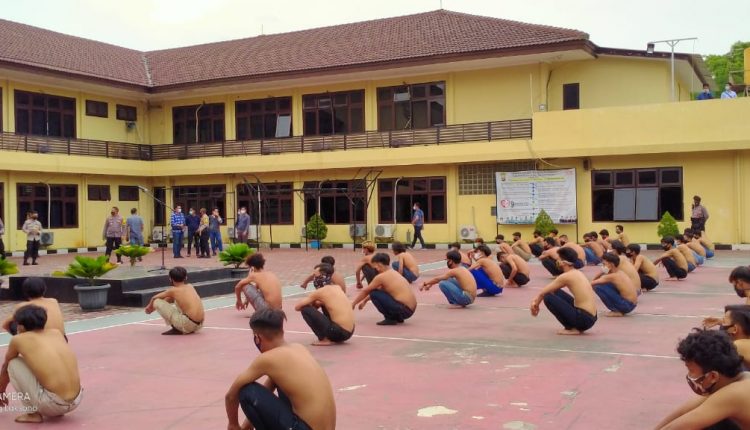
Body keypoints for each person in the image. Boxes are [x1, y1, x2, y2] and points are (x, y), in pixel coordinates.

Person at [224, 309, 336, 430]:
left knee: (247, 390)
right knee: (281, 385)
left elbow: (231, 396)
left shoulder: (268, 359)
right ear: (282, 331)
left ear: (257, 338)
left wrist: (233, 424)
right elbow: (270, 386)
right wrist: (247, 424)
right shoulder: (299, 348)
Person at [0, 305, 82, 423]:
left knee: (13, 363)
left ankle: (33, 414)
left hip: (53, 405)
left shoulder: (18, 340)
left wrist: (1, 392)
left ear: (21, 326)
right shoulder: (56, 333)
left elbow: (5, 368)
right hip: (76, 400)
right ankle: (57, 408)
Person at [654, 329, 750, 430]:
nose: (689, 375)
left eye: (691, 370)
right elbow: (683, 411)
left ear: (713, 376)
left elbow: (677, 427)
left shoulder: (734, 394)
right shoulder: (734, 381)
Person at [530, 247, 598, 335]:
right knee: (555, 291)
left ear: (563, 262)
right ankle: (574, 326)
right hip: (590, 318)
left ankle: (571, 328)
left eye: (558, 259)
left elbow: (543, 293)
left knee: (548, 297)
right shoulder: (577, 272)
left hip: (584, 319)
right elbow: (549, 289)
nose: (556, 261)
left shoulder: (566, 276)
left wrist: (535, 304)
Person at [351, 253, 417, 325]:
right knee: (378, 293)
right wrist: (364, 301)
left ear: (379, 264)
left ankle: (390, 318)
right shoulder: (394, 273)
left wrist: (353, 304)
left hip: (404, 310)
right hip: (409, 310)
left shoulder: (381, 277)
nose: (375, 269)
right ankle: (397, 317)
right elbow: (381, 290)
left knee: (373, 293)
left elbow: (366, 291)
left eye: (375, 267)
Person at [144, 267, 204, 335]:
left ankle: (177, 328)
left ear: (170, 279)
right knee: (175, 299)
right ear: (186, 277)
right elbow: (168, 298)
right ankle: (182, 326)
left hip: (187, 325)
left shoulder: (173, 290)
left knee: (157, 301)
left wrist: (149, 307)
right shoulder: (190, 286)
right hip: (198, 325)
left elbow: (154, 298)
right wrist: (153, 309)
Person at [703, 305, 750, 369]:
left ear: (735, 329)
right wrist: (721, 322)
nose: (722, 326)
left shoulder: (737, 345)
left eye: (724, 322)